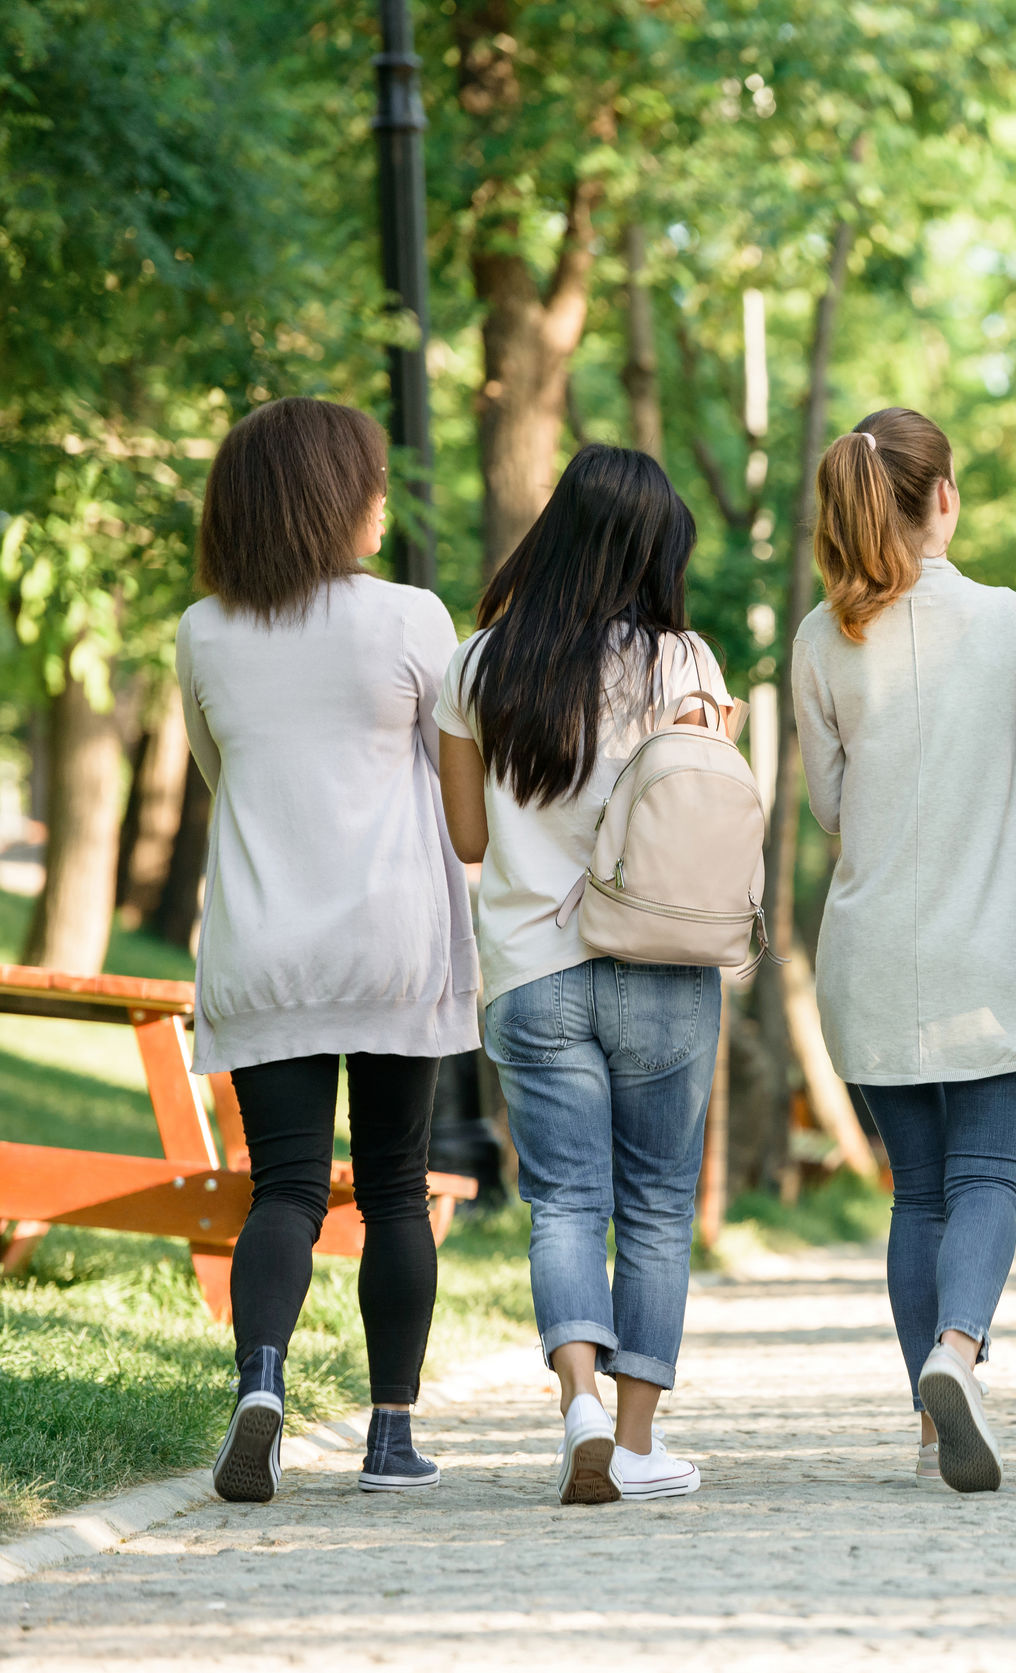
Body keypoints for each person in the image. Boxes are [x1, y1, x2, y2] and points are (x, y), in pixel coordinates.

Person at [180, 396, 480, 1503]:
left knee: (286, 1187)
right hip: (392, 942)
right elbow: (458, 782)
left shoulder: (203, 629)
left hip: (265, 946)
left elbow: (223, 774)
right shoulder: (411, 617)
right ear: (328, 495)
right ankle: (390, 1437)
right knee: (397, 1185)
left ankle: (260, 1379)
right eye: (372, 482)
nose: (385, 503)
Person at [792, 408, 1016, 1494]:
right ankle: (956, 1351)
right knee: (984, 1177)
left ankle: (928, 1425)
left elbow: (830, 803)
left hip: (874, 949)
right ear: (944, 499)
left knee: (915, 1191)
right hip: (990, 953)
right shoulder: (1008, 621)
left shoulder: (823, 639)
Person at [436, 444, 731, 1506]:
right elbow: (705, 813)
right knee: (655, 1204)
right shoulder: (684, 662)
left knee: (563, 1200)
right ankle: (640, 1440)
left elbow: (469, 836)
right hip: (660, 960)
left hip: (530, 967)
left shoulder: (475, 665)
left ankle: (579, 1407)